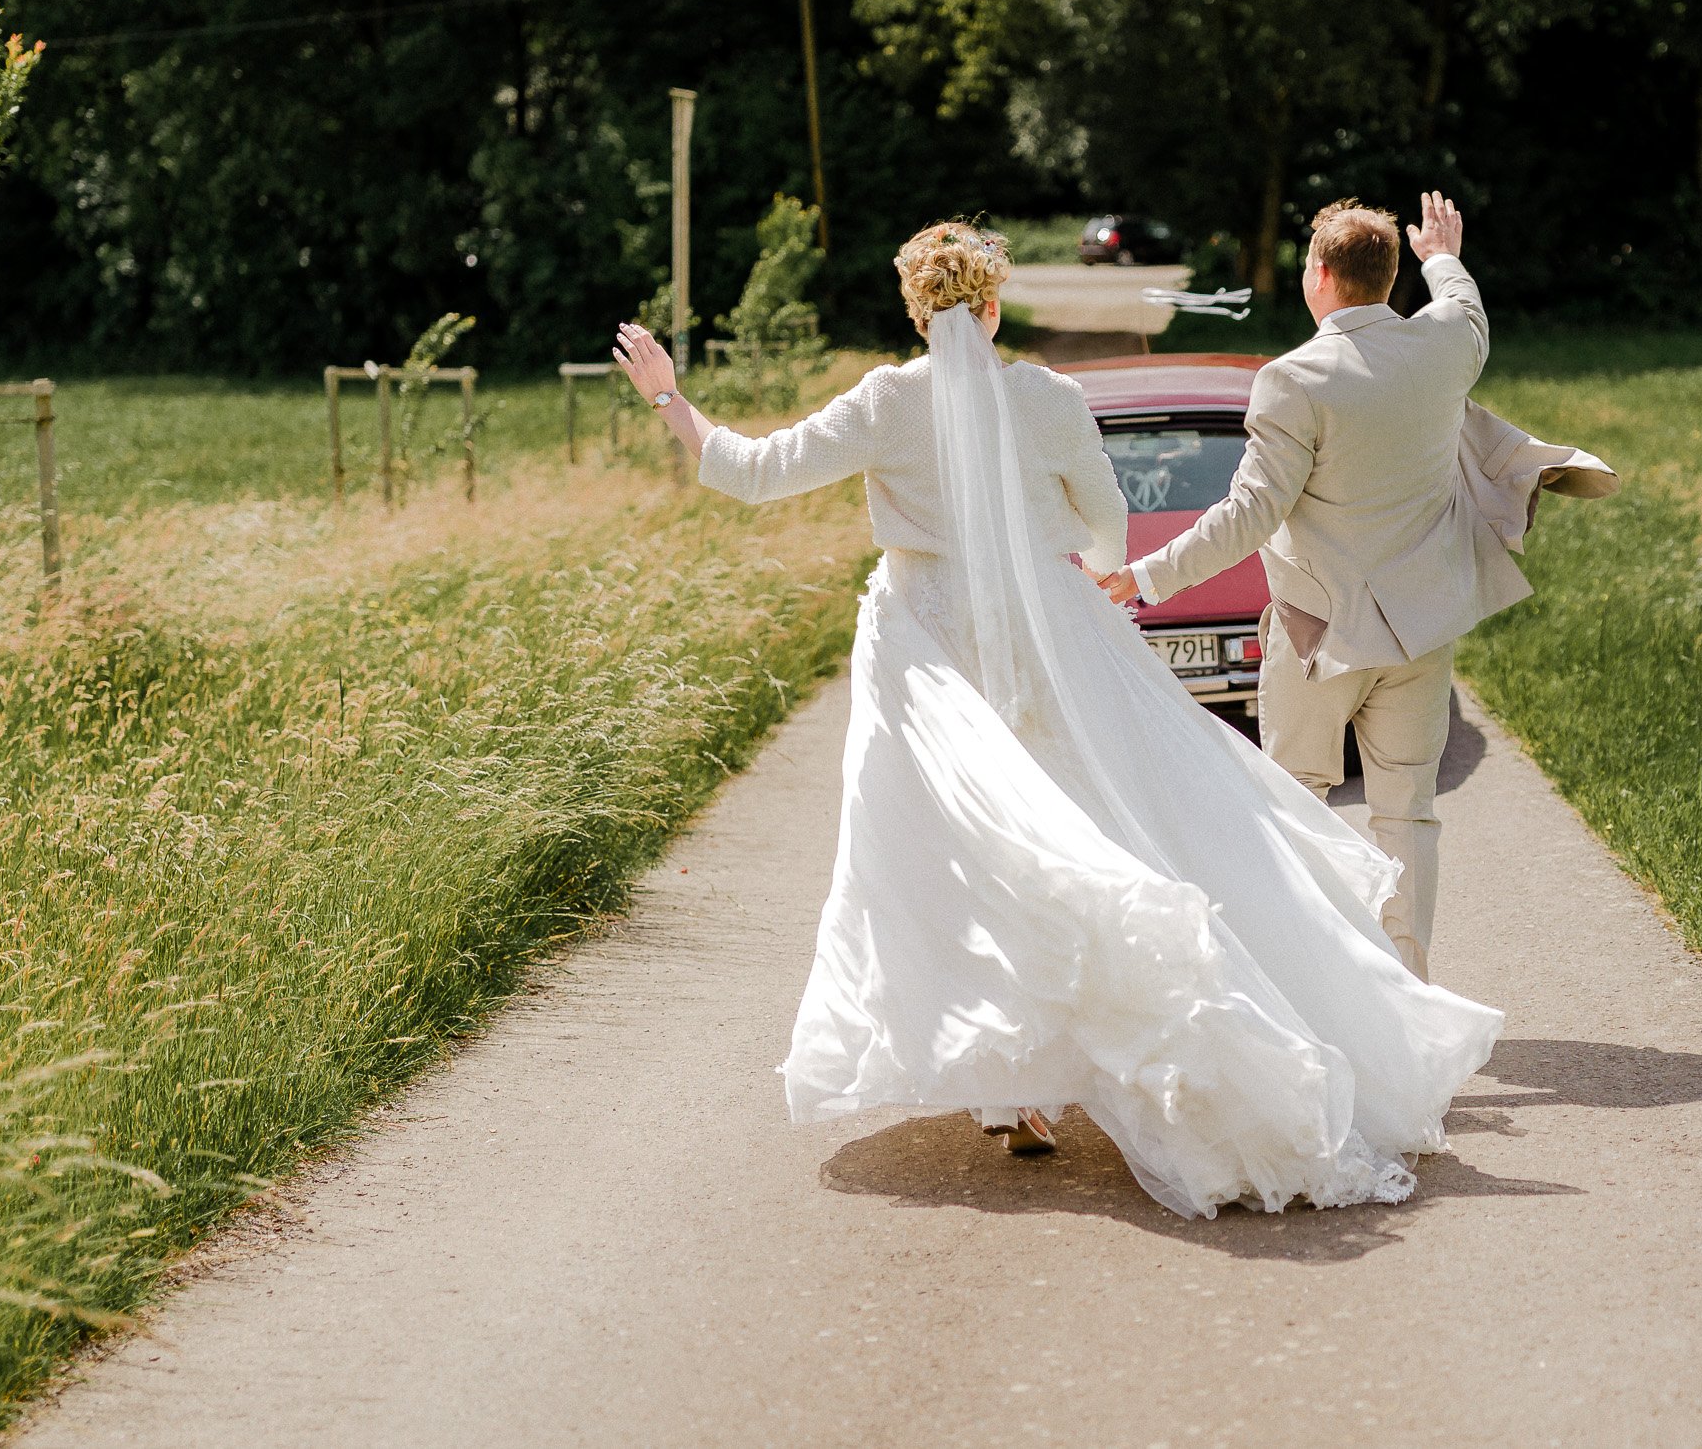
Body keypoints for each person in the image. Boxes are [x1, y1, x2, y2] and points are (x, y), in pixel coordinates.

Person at [609, 220, 1499, 1218]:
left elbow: (752, 470)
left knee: (957, 849)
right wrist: (1060, 570)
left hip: (924, 649)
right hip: (1051, 638)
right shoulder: (1048, 397)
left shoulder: (886, 401)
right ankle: (1099, 1056)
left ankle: (1015, 1089)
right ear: (991, 306)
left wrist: (665, 393)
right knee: (1085, 829)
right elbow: (1106, 516)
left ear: (917, 311)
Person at [1102, 194, 1510, 982]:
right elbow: (1464, 303)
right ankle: (1408, 989)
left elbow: (1248, 514)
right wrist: (1443, 255)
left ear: (1317, 276)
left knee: (1295, 804)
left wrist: (1147, 574)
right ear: (1390, 276)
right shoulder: (1448, 347)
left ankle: (1315, 985)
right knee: (1408, 818)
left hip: (1317, 632)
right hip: (1421, 631)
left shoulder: (1293, 379)